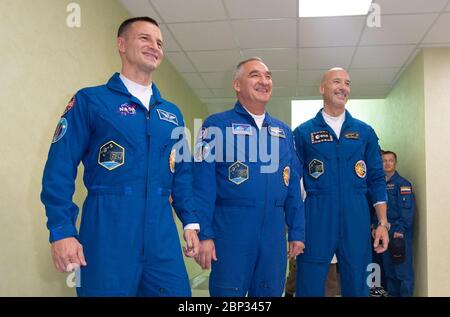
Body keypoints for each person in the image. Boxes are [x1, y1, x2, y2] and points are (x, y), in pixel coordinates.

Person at [41, 17, 199, 297]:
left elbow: (183, 174)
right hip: (107, 232)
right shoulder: (90, 101)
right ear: (121, 44)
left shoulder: (172, 113)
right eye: (145, 39)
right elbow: (60, 167)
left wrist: (190, 222)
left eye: (160, 43)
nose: (154, 46)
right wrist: (62, 230)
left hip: (161, 237)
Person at [193, 57, 305, 297]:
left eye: (268, 76)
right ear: (237, 84)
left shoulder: (283, 132)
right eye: (255, 75)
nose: (264, 81)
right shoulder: (216, 126)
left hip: (274, 234)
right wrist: (204, 234)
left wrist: (296, 231)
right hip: (231, 232)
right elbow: (202, 186)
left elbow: (292, 185)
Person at [293, 67, 389, 297]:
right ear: (322, 88)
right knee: (310, 281)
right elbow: (292, 184)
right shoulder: (303, 133)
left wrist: (383, 223)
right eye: (337, 81)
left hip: (356, 215)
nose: (343, 87)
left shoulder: (364, 132)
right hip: (316, 215)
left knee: (358, 282)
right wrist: (294, 226)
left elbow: (376, 179)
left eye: (347, 83)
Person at [378, 150, 416, 296]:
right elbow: (377, 209)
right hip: (384, 232)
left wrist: (400, 230)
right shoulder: (378, 184)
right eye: (384, 160)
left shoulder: (402, 184)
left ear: (395, 163)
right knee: (390, 273)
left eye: (390, 160)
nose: (387, 163)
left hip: (399, 233)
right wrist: (375, 226)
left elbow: (407, 211)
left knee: (403, 273)